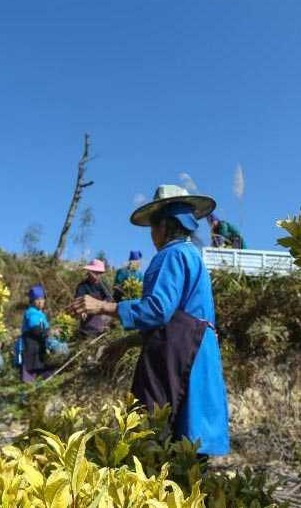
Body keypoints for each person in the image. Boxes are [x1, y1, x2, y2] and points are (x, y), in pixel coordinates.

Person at [70, 185, 230, 458]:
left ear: (164, 226)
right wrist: (128, 341)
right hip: (197, 351)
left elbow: (157, 310)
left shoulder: (171, 255)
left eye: (153, 228)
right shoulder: (193, 256)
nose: (152, 237)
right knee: (192, 442)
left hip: (179, 355)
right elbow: (178, 315)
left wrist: (101, 306)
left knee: (158, 437)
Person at [18, 285, 69, 382]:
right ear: (32, 301)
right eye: (38, 299)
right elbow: (36, 329)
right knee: (29, 379)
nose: (41, 302)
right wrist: (50, 332)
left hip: (39, 351)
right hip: (29, 350)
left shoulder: (41, 314)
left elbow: (46, 330)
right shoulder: (31, 313)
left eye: (42, 299)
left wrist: (54, 332)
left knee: (44, 373)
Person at [74, 259, 114, 338]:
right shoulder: (82, 286)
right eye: (95, 273)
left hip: (102, 312)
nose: (97, 276)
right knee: (87, 331)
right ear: (89, 272)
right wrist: (82, 312)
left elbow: (109, 297)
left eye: (99, 273)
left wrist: (101, 305)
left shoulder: (103, 284)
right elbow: (78, 300)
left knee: (102, 327)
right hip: (88, 314)